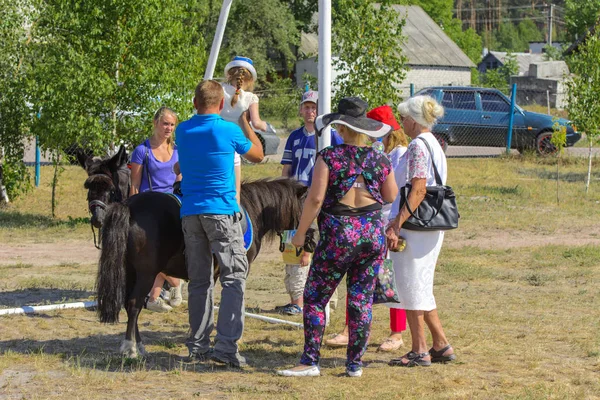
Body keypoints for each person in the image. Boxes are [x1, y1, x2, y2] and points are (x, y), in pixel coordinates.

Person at [277, 97, 398, 378]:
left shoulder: (329, 157)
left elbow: (315, 199)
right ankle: (354, 365)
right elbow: (390, 195)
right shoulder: (379, 158)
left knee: (316, 298)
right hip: (371, 235)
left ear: (340, 127)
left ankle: (310, 361)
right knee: (361, 300)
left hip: (338, 236)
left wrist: (300, 233)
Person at [176, 80, 264, 368]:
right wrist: (243, 119)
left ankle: (198, 345)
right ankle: (226, 347)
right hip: (222, 212)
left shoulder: (183, 130)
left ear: (194, 103)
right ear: (222, 104)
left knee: (199, 281)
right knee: (233, 278)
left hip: (190, 212)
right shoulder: (228, 130)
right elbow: (258, 154)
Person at [325, 105, 409, 352]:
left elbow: (396, 193)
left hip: (387, 223)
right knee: (359, 279)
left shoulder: (399, 154)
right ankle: (349, 329)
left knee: (392, 280)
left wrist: (394, 225)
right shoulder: (374, 151)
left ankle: (397, 333)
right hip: (369, 223)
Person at [385, 95, 456, 367]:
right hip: (433, 223)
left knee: (410, 285)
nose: (401, 122)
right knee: (422, 284)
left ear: (413, 121)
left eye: (403, 117)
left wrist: (397, 223)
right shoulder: (435, 144)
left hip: (416, 223)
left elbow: (418, 189)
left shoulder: (416, 146)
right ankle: (440, 344)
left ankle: (419, 349)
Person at [277, 90, 343, 315]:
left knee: (317, 243)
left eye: (314, 106)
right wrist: (283, 192)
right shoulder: (295, 136)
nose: (310, 111)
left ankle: (325, 297)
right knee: (292, 240)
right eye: (306, 106)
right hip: (295, 196)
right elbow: (287, 168)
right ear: (301, 109)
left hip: (320, 196)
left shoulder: (331, 136)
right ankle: (296, 300)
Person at [130, 106, 183, 313]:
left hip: (173, 205)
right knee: (156, 251)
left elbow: (180, 181)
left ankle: (154, 296)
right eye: (165, 123)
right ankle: (176, 284)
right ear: (155, 124)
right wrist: (132, 211)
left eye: (172, 124)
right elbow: (134, 184)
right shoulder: (142, 151)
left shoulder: (178, 150)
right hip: (149, 207)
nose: (168, 128)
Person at [221, 56, 267, 205]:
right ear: (250, 79)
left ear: (229, 75)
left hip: (214, 140)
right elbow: (256, 122)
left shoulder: (219, 90)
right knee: (235, 191)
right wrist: (266, 126)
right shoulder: (250, 98)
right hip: (233, 147)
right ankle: (235, 215)